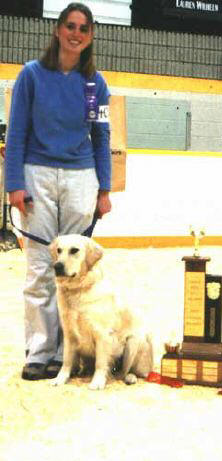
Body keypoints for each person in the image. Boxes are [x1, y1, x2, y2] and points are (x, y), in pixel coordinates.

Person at [5, 3, 112, 380]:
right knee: (40, 267)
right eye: (70, 25)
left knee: (76, 271)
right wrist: (13, 184)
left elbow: (101, 137)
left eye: (84, 28)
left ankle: (68, 354)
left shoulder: (94, 84)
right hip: (37, 176)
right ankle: (39, 352)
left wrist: (104, 188)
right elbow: (16, 130)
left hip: (82, 178)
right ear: (58, 30)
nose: (76, 33)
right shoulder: (32, 76)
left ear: (90, 35)